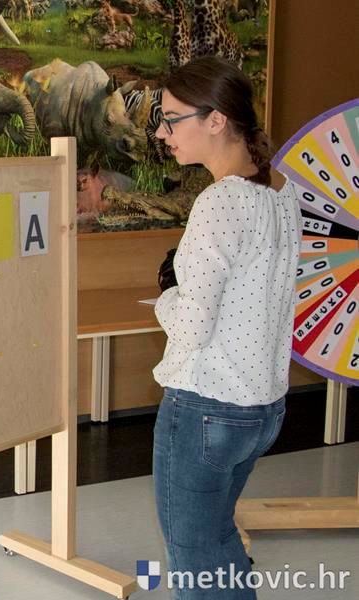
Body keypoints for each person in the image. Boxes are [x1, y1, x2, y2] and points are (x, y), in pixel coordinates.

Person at [151, 55, 300, 599]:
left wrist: (166, 298)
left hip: (205, 407)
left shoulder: (219, 202)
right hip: (261, 410)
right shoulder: (282, 192)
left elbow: (191, 327)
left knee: (194, 556)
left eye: (171, 119)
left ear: (216, 120)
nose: (162, 133)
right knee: (217, 540)